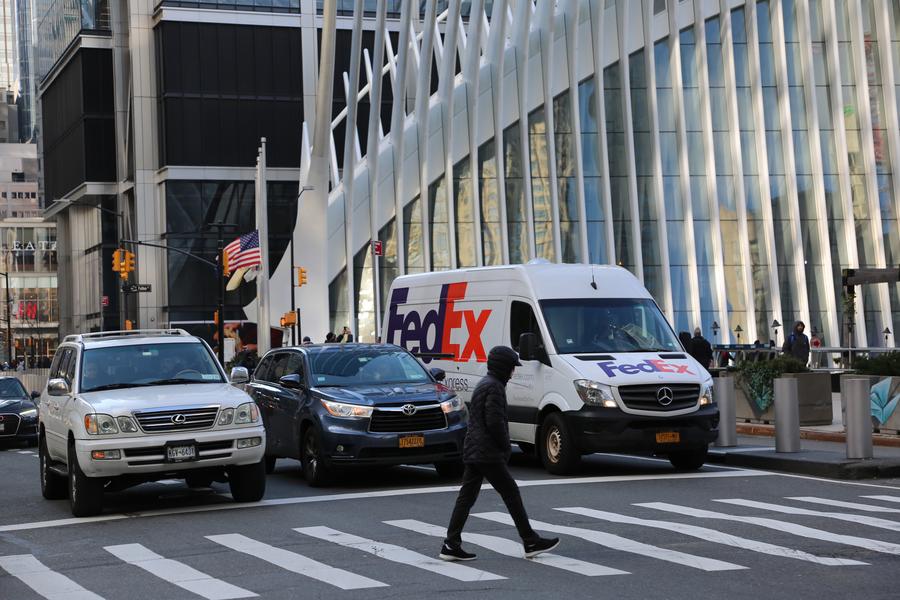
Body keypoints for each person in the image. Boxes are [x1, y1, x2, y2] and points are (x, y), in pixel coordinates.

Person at [440, 346, 559, 562]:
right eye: (512, 367)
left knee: (467, 497)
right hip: (487, 452)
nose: (513, 372)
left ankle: (451, 543)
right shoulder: (494, 387)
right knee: (510, 493)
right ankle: (530, 540)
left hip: (476, 449)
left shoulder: (486, 384)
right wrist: (506, 446)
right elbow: (494, 422)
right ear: (503, 367)